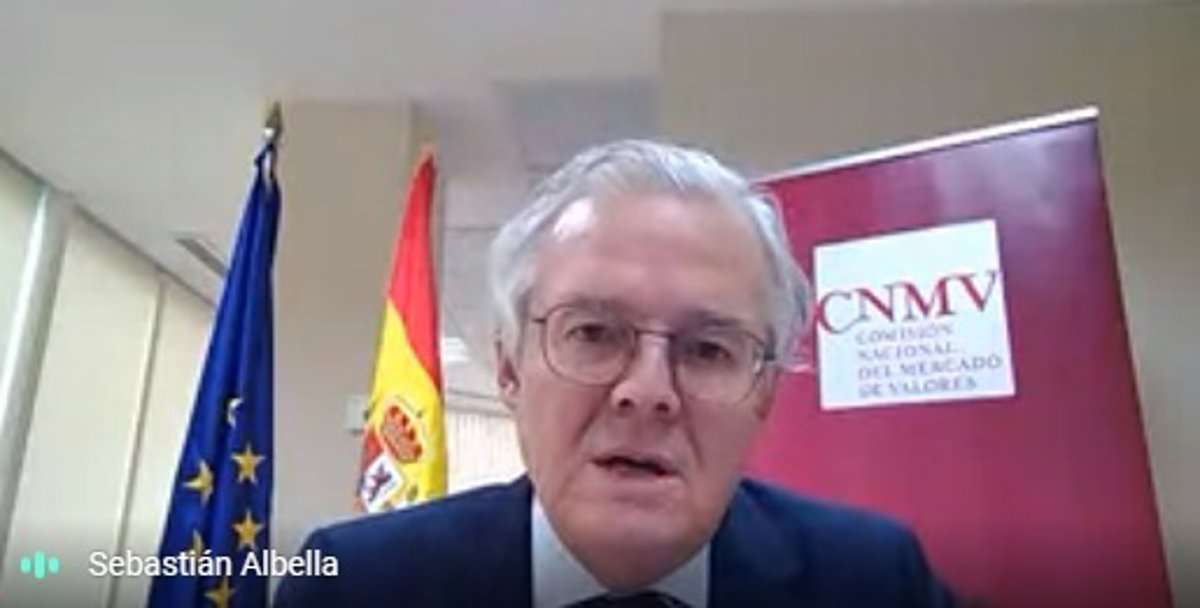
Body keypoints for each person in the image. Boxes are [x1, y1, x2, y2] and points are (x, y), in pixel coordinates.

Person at [275, 140, 956, 607]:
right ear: (510, 368)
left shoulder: (877, 581)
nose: (648, 392)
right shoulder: (354, 586)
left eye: (708, 350)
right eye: (594, 334)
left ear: (765, 393)